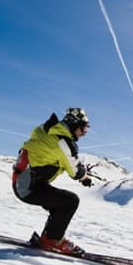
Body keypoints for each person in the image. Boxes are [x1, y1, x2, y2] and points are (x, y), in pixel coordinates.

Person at [12, 107, 93, 254]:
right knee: (70, 201)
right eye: (83, 130)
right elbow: (75, 171)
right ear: (74, 125)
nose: (83, 134)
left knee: (59, 203)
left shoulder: (47, 130)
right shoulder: (63, 143)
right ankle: (52, 240)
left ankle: (49, 237)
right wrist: (84, 177)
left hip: (23, 181)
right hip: (28, 187)